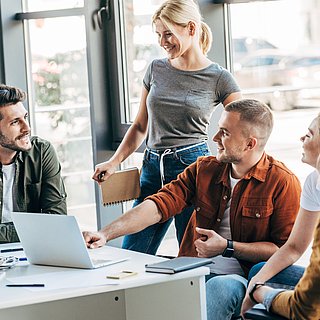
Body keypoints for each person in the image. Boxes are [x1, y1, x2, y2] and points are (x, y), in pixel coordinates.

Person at [84, 99, 301, 320]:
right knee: (132, 287)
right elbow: (158, 205)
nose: (215, 138)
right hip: (190, 272)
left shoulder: (283, 182)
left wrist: (227, 247)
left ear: (249, 144)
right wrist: (104, 234)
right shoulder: (204, 169)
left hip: (241, 281)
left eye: (224, 133)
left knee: (221, 286)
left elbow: (282, 251)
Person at [92, 0, 242, 255]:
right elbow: (140, 125)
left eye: (168, 33)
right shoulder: (155, 68)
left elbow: (245, 124)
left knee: (190, 256)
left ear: (191, 29)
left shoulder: (219, 77)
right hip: (151, 169)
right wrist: (115, 162)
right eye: (158, 35)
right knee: (133, 253)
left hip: (191, 169)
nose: (163, 42)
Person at [241, 114, 320, 320]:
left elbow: (305, 309)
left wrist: (259, 293)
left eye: (309, 135)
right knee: (260, 271)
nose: (302, 139)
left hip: (310, 304)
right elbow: (294, 247)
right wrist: (256, 282)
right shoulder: (314, 183)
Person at [0, 84, 67, 243]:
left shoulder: (41, 152)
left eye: (25, 117)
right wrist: (32, 229)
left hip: (33, 251)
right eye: (15, 122)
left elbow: (57, 221)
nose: (27, 128)